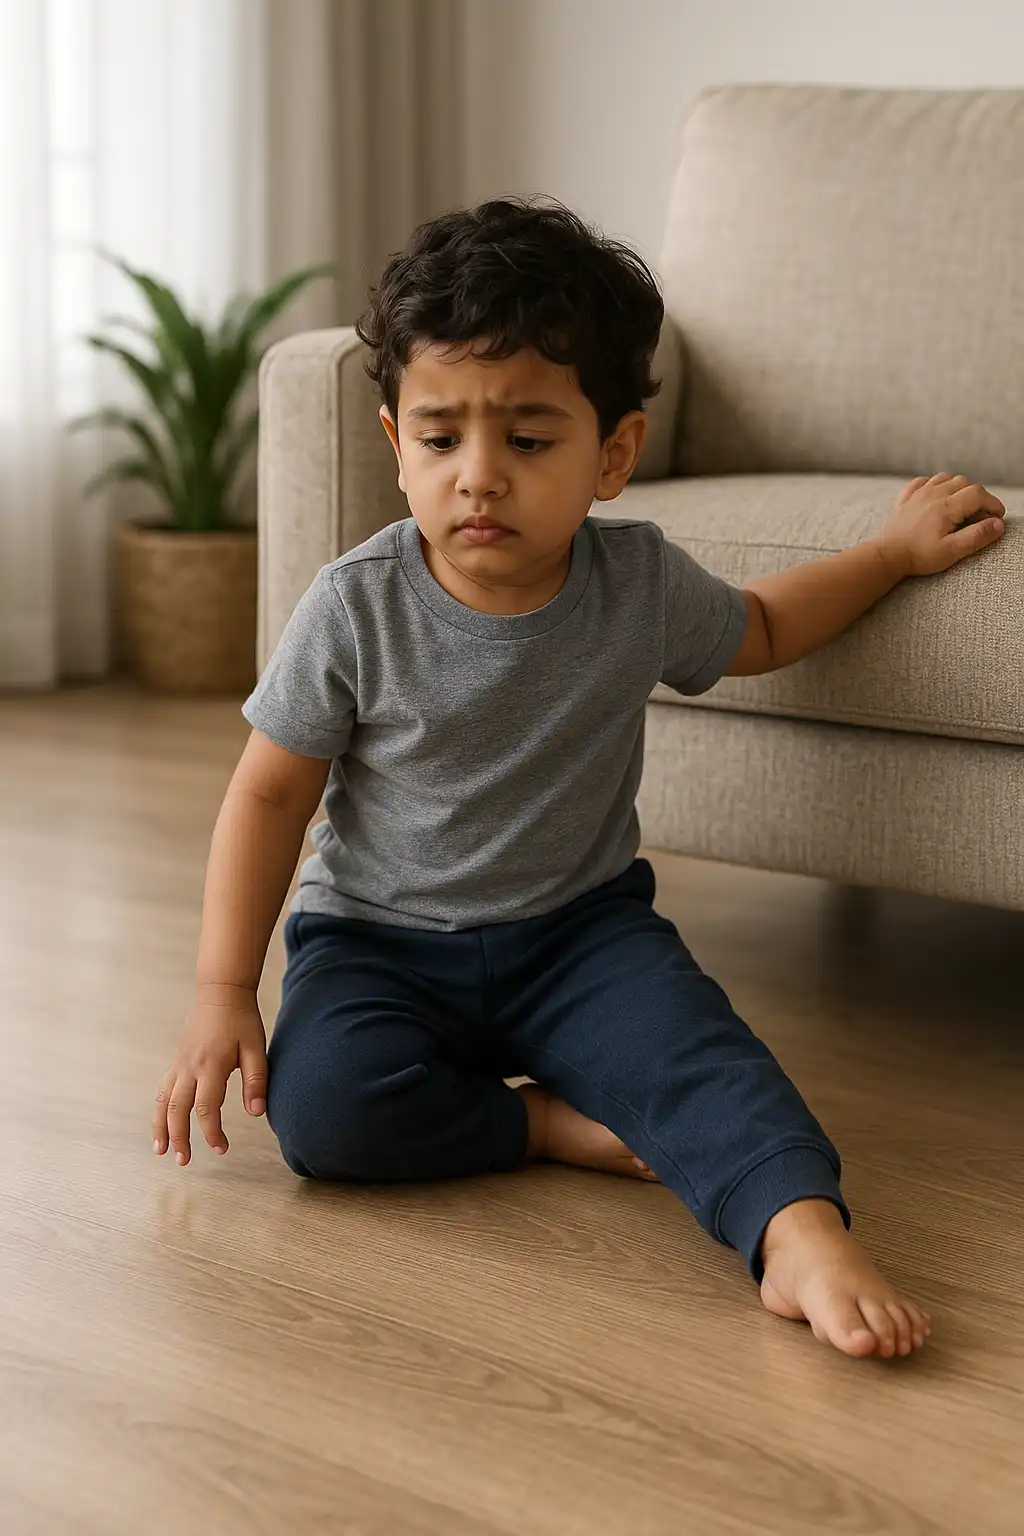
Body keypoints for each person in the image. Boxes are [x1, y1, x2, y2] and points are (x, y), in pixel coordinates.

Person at [152, 197, 1007, 1360]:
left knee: (709, 1065)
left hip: (580, 938)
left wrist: (890, 554)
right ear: (396, 445)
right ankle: (538, 1127)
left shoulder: (637, 583)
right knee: (326, 1114)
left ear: (613, 454)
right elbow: (266, 795)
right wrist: (222, 989)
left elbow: (759, 629)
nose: (479, 478)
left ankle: (798, 1232)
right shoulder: (353, 607)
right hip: (378, 945)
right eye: (441, 440)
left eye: (528, 440)